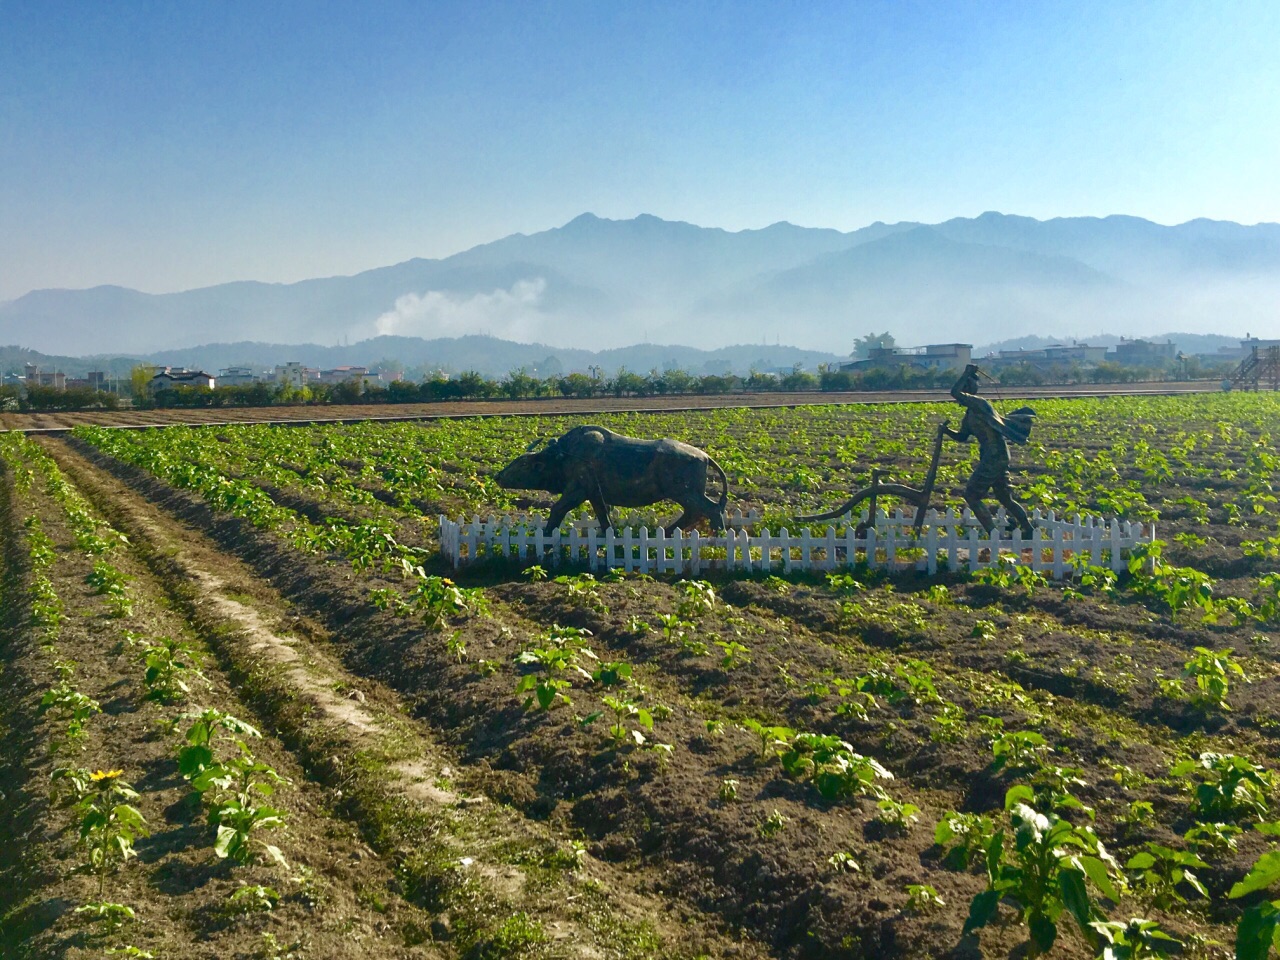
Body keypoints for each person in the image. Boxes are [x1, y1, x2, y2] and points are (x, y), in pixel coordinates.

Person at [942, 364, 1036, 537]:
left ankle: (994, 535)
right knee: (1005, 498)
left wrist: (966, 373)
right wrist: (946, 431)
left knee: (971, 495)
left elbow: (954, 392)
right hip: (992, 455)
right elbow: (963, 436)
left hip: (995, 455)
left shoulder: (980, 404)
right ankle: (1028, 530)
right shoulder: (970, 413)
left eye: (964, 386)